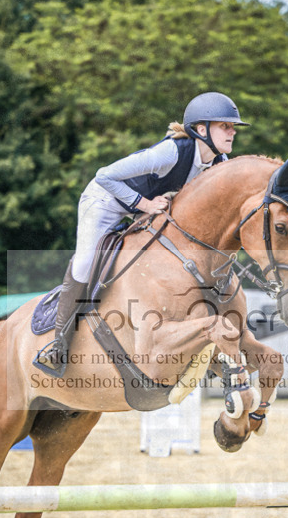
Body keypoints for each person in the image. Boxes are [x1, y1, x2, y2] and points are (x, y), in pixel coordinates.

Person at [34, 91, 250, 374]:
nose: (232, 132)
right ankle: (58, 344)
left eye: (233, 126)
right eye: (225, 125)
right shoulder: (171, 152)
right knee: (86, 262)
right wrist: (145, 204)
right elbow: (104, 175)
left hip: (144, 211)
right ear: (201, 129)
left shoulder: (218, 165)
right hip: (105, 202)